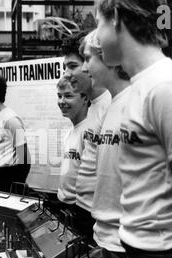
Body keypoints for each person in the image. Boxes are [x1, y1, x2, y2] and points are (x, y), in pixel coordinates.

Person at [96, 0, 172, 258]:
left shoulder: (166, 87)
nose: (95, 37)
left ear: (116, 18)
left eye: (98, 24)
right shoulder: (145, 85)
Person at [80, 29, 132, 258]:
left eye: (89, 58)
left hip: (129, 246)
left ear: (108, 57)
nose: (85, 66)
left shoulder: (136, 103)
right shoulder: (113, 104)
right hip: (107, 238)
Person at [61, 32, 112, 241]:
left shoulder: (110, 105)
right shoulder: (94, 107)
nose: (66, 74)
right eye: (65, 67)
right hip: (85, 213)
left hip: (101, 221)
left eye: (72, 66)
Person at [56, 74, 89, 218]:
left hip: (80, 209)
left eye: (68, 96)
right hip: (66, 206)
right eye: (59, 96)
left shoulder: (90, 132)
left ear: (85, 98)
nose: (61, 102)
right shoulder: (69, 132)